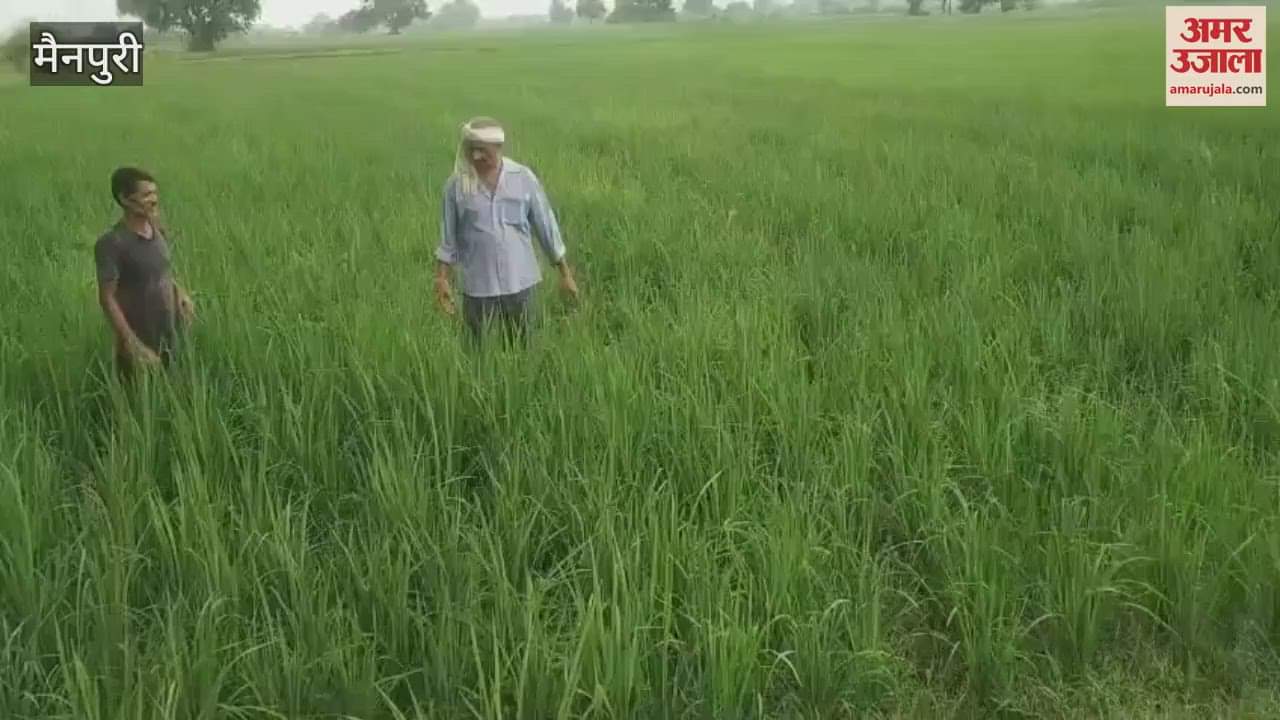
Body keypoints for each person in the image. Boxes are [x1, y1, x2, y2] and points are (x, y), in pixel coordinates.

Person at [434, 116, 579, 347]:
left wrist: (565, 274)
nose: (476, 156)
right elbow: (447, 239)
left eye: (482, 150)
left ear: (498, 147)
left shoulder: (522, 178)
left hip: (520, 283)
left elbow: (546, 226)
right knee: (478, 350)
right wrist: (442, 279)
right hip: (478, 288)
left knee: (524, 346)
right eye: (471, 150)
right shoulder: (457, 186)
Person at [94, 166, 195, 381]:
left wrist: (181, 294)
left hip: (169, 331)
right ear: (125, 198)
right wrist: (132, 343)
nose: (154, 200)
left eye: (155, 193)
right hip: (138, 336)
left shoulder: (157, 230)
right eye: (146, 194)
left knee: (174, 387)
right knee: (139, 395)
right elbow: (107, 298)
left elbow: (162, 270)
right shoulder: (112, 243)